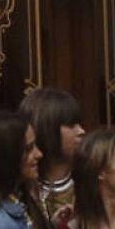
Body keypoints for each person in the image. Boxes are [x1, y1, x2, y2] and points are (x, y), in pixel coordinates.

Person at [19, 87, 86, 219]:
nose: (81, 131)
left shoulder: (92, 182)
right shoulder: (20, 191)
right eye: (71, 125)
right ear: (47, 129)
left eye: (79, 124)